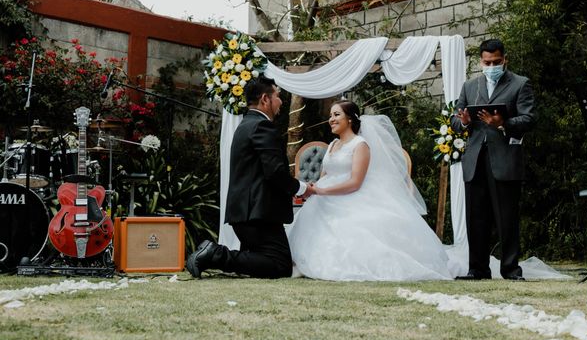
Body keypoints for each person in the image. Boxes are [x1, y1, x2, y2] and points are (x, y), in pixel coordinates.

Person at [287, 100, 456, 281]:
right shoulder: (332, 145)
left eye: (336, 115)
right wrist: (313, 190)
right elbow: (323, 177)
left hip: (351, 197)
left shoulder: (360, 145)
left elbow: (355, 182)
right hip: (323, 198)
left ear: (350, 119)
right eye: (330, 115)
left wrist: (321, 191)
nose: (331, 119)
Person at [186, 76, 312, 279]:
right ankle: (214, 254)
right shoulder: (262, 126)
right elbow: (275, 172)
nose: (281, 101)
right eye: (278, 96)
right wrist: (303, 188)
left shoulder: (246, 124)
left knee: (257, 260)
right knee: (279, 265)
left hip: (246, 213)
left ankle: (214, 254)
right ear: (265, 99)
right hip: (257, 214)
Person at [451, 38, 535, 280]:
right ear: (481, 62)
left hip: (504, 159)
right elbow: (456, 120)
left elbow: (529, 119)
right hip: (475, 159)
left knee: (506, 218)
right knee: (475, 218)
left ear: (504, 59)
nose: (492, 66)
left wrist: (503, 124)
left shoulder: (520, 84)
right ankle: (477, 269)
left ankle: (510, 270)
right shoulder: (469, 86)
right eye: (487, 62)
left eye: (496, 62)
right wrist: (464, 122)